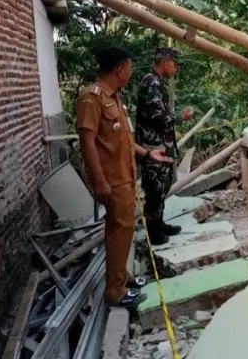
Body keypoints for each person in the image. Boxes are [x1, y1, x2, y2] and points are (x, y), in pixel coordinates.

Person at [76, 46, 173, 307]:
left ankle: (122, 277)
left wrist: (147, 153)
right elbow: (87, 143)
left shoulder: (115, 98)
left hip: (126, 175)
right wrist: (99, 181)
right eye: (129, 69)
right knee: (119, 232)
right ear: (119, 70)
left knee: (125, 230)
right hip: (112, 180)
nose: (131, 73)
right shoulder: (91, 99)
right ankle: (115, 292)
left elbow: (125, 140)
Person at [136, 47, 194, 245]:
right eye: (174, 63)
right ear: (164, 61)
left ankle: (159, 224)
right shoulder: (150, 83)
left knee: (162, 187)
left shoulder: (156, 83)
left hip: (162, 145)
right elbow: (157, 117)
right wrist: (181, 117)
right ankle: (153, 232)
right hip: (153, 147)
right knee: (154, 188)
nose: (176, 67)